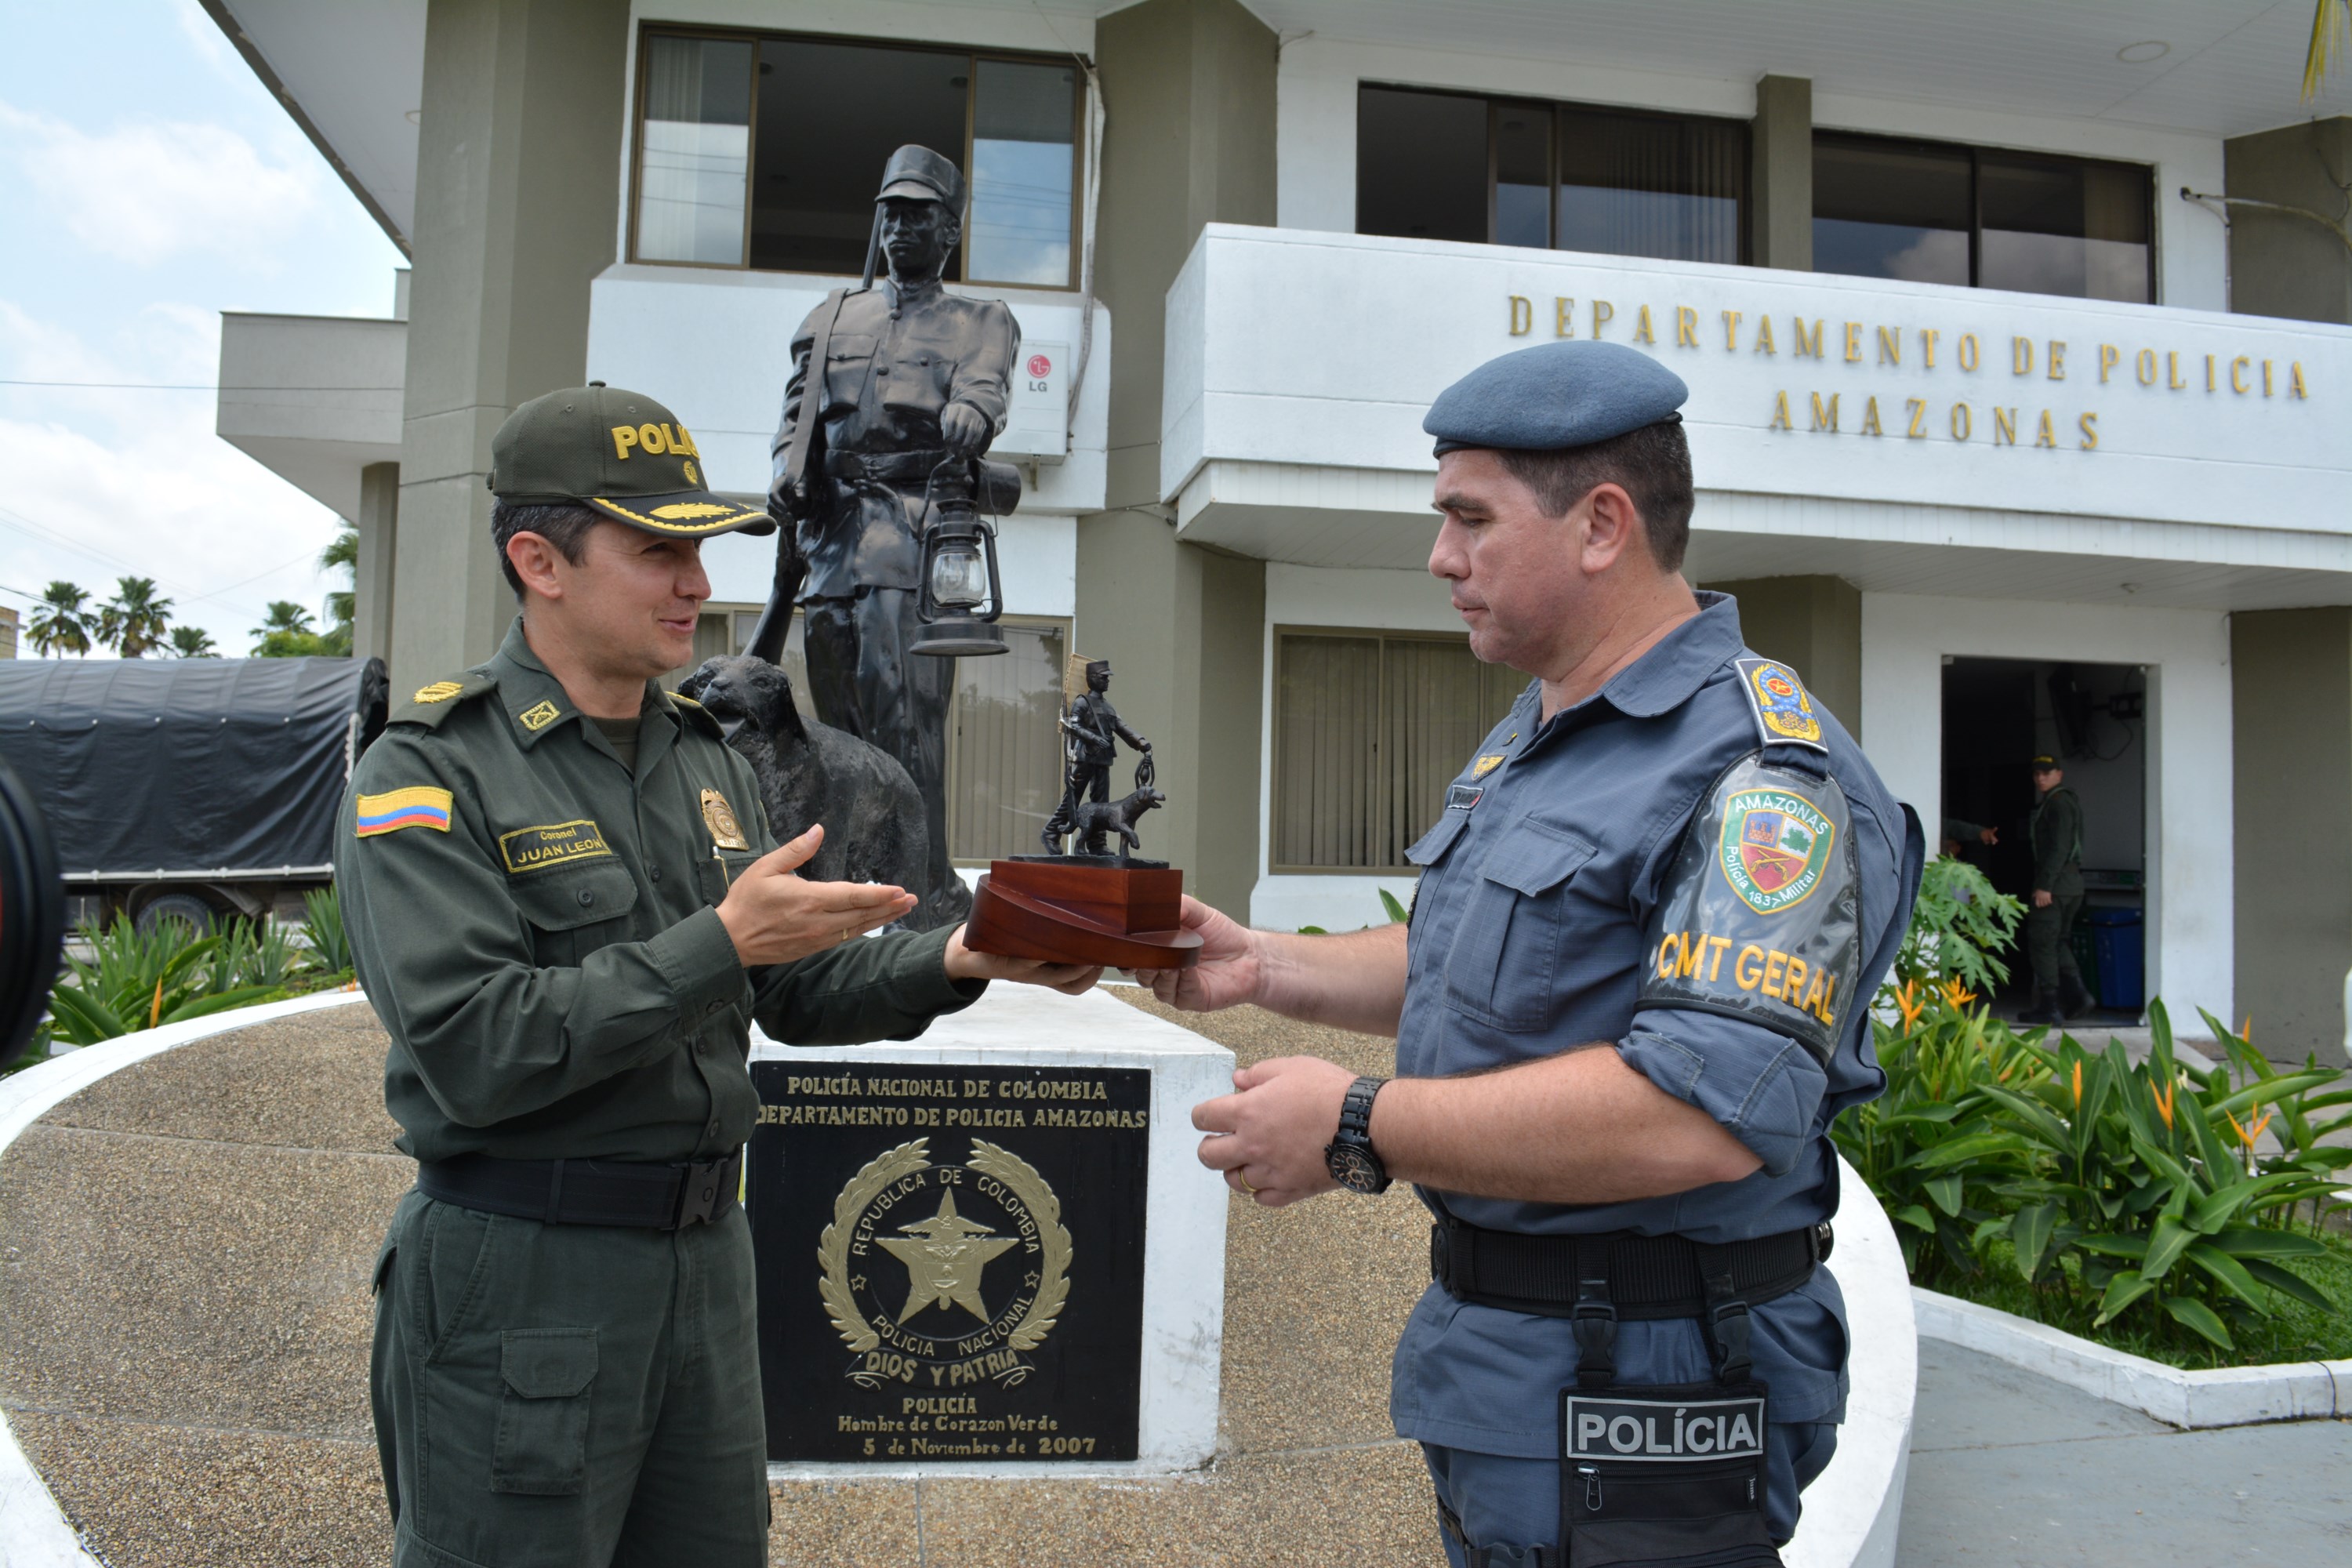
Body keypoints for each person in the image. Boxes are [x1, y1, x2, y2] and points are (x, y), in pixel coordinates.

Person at [1135, 340, 1921, 1567]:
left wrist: (1359, 1125)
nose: (1441, 558)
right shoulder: (1550, 730)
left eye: (1469, 519)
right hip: (1521, 1361)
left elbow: (1696, 1116)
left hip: (1651, 1376)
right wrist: (1263, 967)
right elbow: (1480, 957)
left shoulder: (1763, 776)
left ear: (1604, 524)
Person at [342, 382, 1098, 1568]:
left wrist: (963, 958)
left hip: (704, 1271)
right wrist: (723, 940)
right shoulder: (433, 768)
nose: (697, 584)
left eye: (698, 550)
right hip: (526, 1275)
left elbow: (780, 992)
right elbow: (479, 1048)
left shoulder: (706, 754)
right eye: (657, 552)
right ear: (538, 560)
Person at [751, 143, 1020, 926]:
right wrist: (782, 473)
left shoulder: (981, 320)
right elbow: (795, 418)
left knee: (906, 726)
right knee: (833, 731)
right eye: (892, 212)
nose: (903, 227)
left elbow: (986, 390)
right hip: (832, 545)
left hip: (914, 541)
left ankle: (922, 892)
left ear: (950, 229)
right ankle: (847, 885)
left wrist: (971, 413)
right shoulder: (830, 317)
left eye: (921, 214)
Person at [1043, 658, 1151, 855]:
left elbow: (1121, 727)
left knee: (1102, 802)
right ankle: (1051, 832)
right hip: (1085, 757)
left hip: (1103, 759)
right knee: (1073, 798)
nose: (1107, 681)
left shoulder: (1108, 707)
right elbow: (1073, 725)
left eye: (1107, 678)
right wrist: (1093, 738)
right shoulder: (1082, 702)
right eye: (1103, 678)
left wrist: (1140, 742)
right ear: (1092, 679)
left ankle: (1097, 843)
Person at [2018, 755, 2091, 1024]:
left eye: (2047, 773)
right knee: (2059, 941)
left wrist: (2044, 886)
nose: (2041, 778)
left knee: (2043, 943)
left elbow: (2059, 848)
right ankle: (2078, 996)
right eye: (2037, 774)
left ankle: (2050, 1006)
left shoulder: (2058, 804)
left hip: (2057, 886)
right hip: (2070, 885)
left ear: (2059, 774)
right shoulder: (2062, 802)